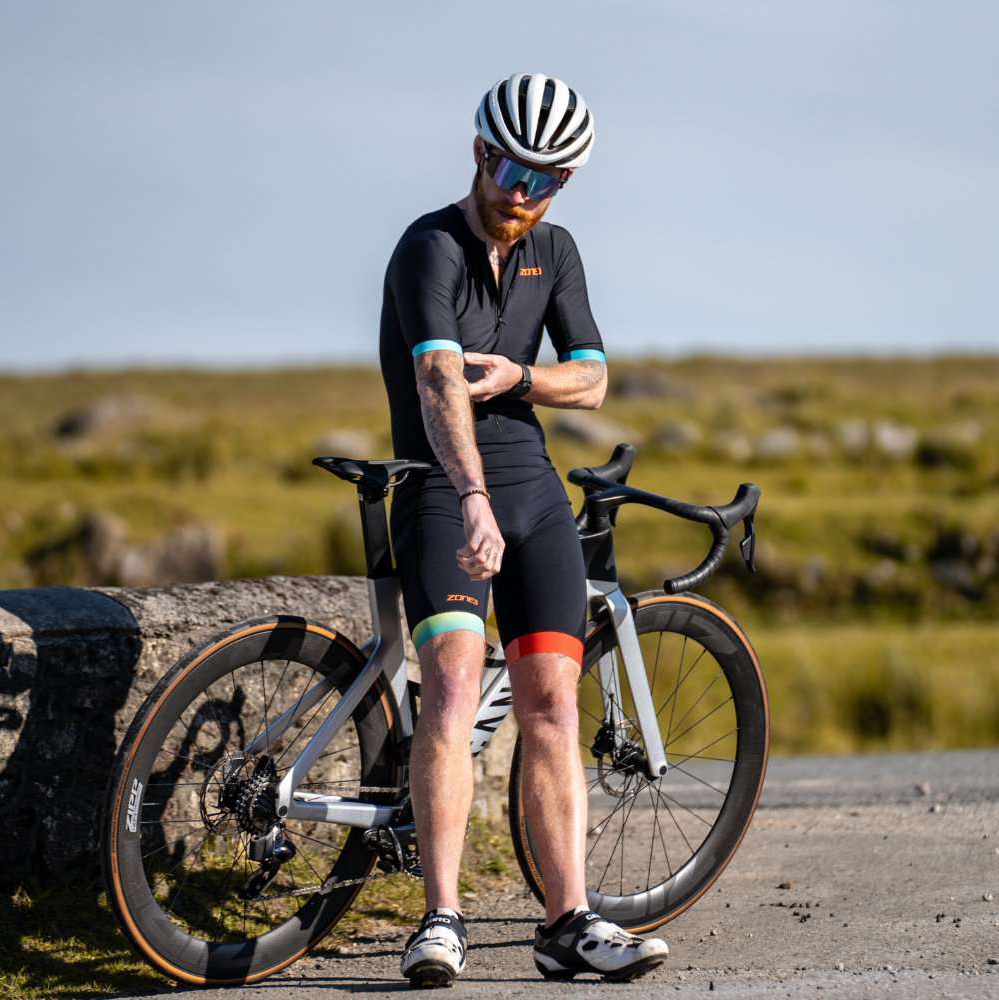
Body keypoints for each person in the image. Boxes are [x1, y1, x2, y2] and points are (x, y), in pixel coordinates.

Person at [379, 73, 668, 986]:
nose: (521, 190)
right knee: (455, 695)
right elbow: (435, 385)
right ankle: (440, 919)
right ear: (478, 153)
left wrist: (519, 378)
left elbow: (592, 376)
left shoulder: (558, 251)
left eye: (544, 177)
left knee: (550, 704)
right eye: (509, 166)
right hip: (440, 489)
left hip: (534, 495)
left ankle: (567, 923)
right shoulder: (429, 248)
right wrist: (468, 494)